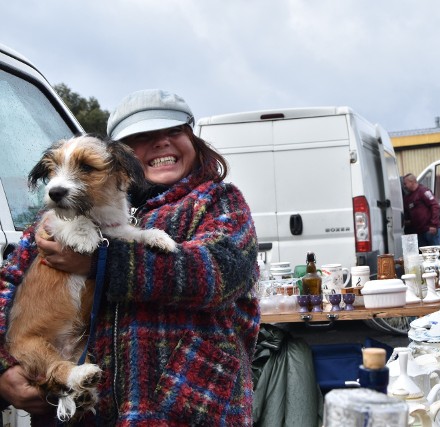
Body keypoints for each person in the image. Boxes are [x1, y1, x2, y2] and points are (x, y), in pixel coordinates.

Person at [0, 89, 260, 425]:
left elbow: (221, 273)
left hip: (187, 406)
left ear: (193, 140)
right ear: (119, 160)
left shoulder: (218, 201)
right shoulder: (64, 214)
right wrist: (4, 370)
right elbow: (7, 285)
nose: (163, 143)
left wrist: (104, 263)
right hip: (89, 411)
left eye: (175, 132)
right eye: (144, 137)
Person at [402, 173, 440, 247]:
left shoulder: (423, 191)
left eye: (405, 183)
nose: (404, 186)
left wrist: (433, 224)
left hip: (429, 230)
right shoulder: (408, 198)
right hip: (419, 232)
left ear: (412, 182)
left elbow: (435, 206)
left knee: (433, 254)